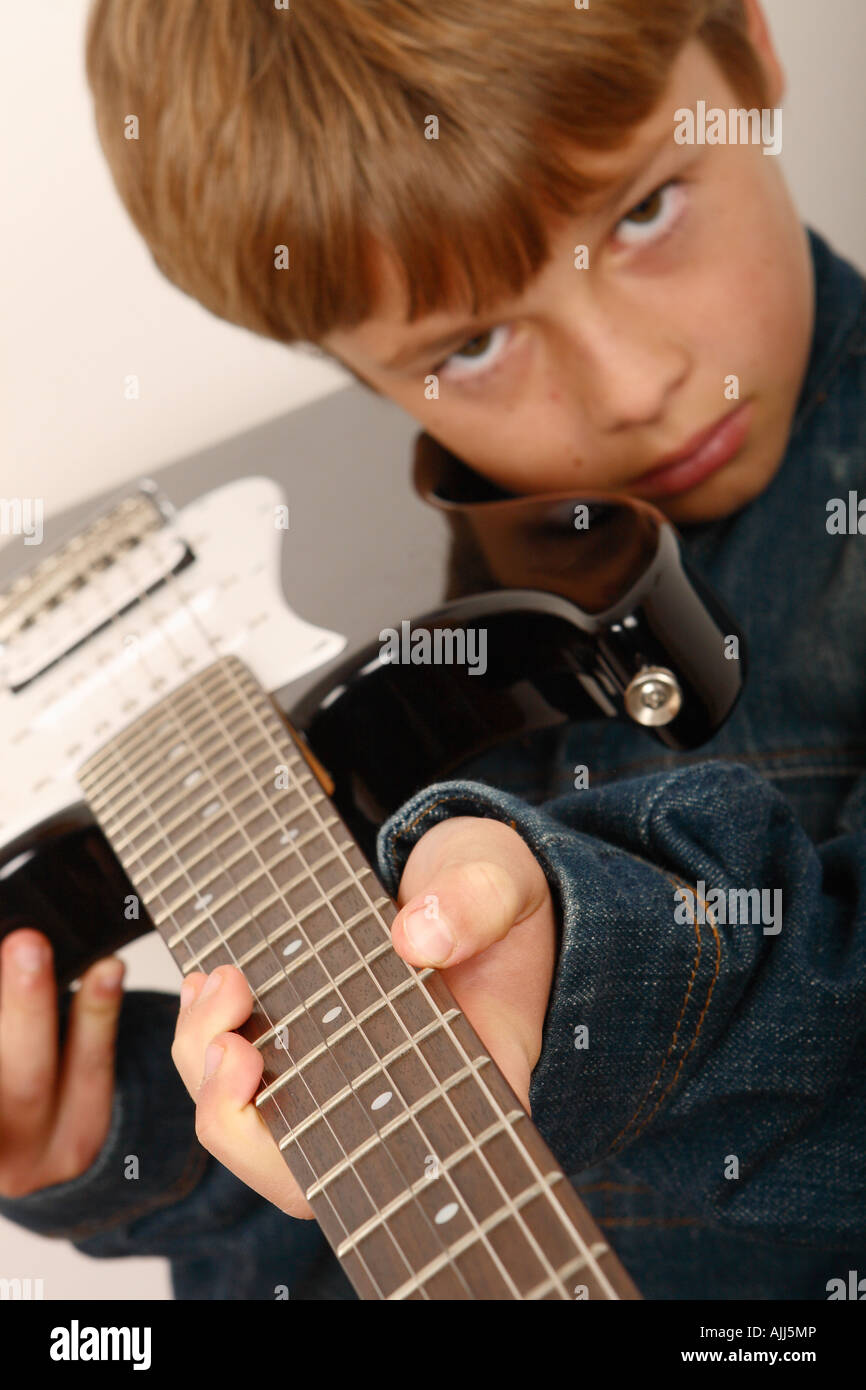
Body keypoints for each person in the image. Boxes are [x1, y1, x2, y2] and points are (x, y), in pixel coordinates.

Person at [1, 0, 864, 1299]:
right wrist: (124, 1157)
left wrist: (602, 978)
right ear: (346, 369)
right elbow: (420, 1228)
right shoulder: (411, 650)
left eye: (640, 212)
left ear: (743, 44)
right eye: (471, 345)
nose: (631, 382)